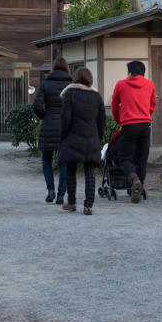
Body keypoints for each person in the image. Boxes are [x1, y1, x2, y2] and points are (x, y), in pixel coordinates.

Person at [58, 67, 106, 215]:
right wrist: (98, 136)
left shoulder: (69, 93)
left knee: (71, 168)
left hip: (73, 137)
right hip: (92, 138)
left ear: (76, 78)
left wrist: (63, 135)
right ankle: (88, 205)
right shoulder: (97, 96)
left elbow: (65, 118)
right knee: (89, 170)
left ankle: (71, 202)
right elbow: (102, 120)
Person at [110, 60, 156, 203]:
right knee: (141, 159)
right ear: (143, 72)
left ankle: (133, 179)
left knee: (124, 158)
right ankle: (138, 189)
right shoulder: (150, 85)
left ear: (130, 72)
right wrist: (145, 115)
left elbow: (114, 105)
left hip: (129, 125)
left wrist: (119, 120)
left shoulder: (121, 84)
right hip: (145, 125)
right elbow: (153, 105)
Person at [33, 57, 73, 204]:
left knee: (46, 158)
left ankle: (50, 189)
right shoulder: (71, 84)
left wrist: (45, 116)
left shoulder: (45, 83)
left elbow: (37, 106)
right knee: (64, 161)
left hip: (48, 124)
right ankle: (61, 193)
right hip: (65, 126)